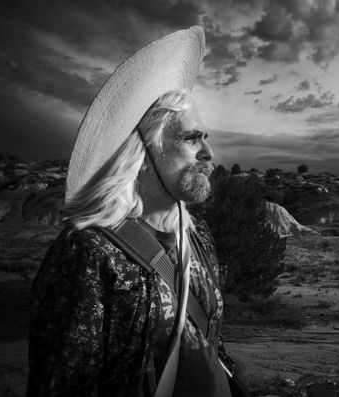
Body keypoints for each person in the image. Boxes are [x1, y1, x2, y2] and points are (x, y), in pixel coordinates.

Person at [27, 26, 234, 397]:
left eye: (205, 137)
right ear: (143, 153)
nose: (208, 153)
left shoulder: (197, 234)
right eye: (190, 138)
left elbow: (209, 344)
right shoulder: (87, 254)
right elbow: (64, 383)